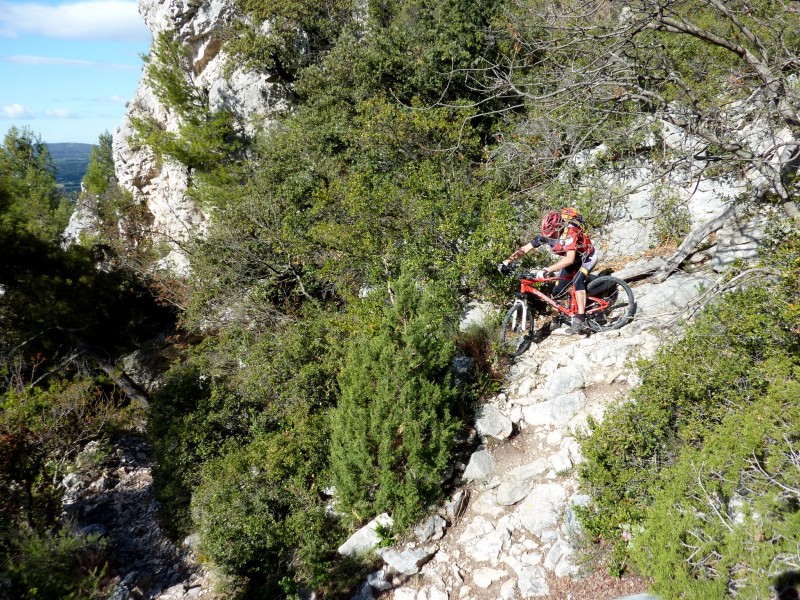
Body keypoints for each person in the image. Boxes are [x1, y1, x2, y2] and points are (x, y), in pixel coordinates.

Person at [498, 208, 598, 334]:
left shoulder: (571, 232)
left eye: (551, 234)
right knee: (556, 292)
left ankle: (581, 320)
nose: (548, 237)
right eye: (547, 234)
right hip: (572, 259)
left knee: (577, 282)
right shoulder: (546, 234)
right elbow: (525, 249)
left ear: (558, 228)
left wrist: (547, 269)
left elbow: (569, 259)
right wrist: (507, 261)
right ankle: (555, 321)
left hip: (587, 257)